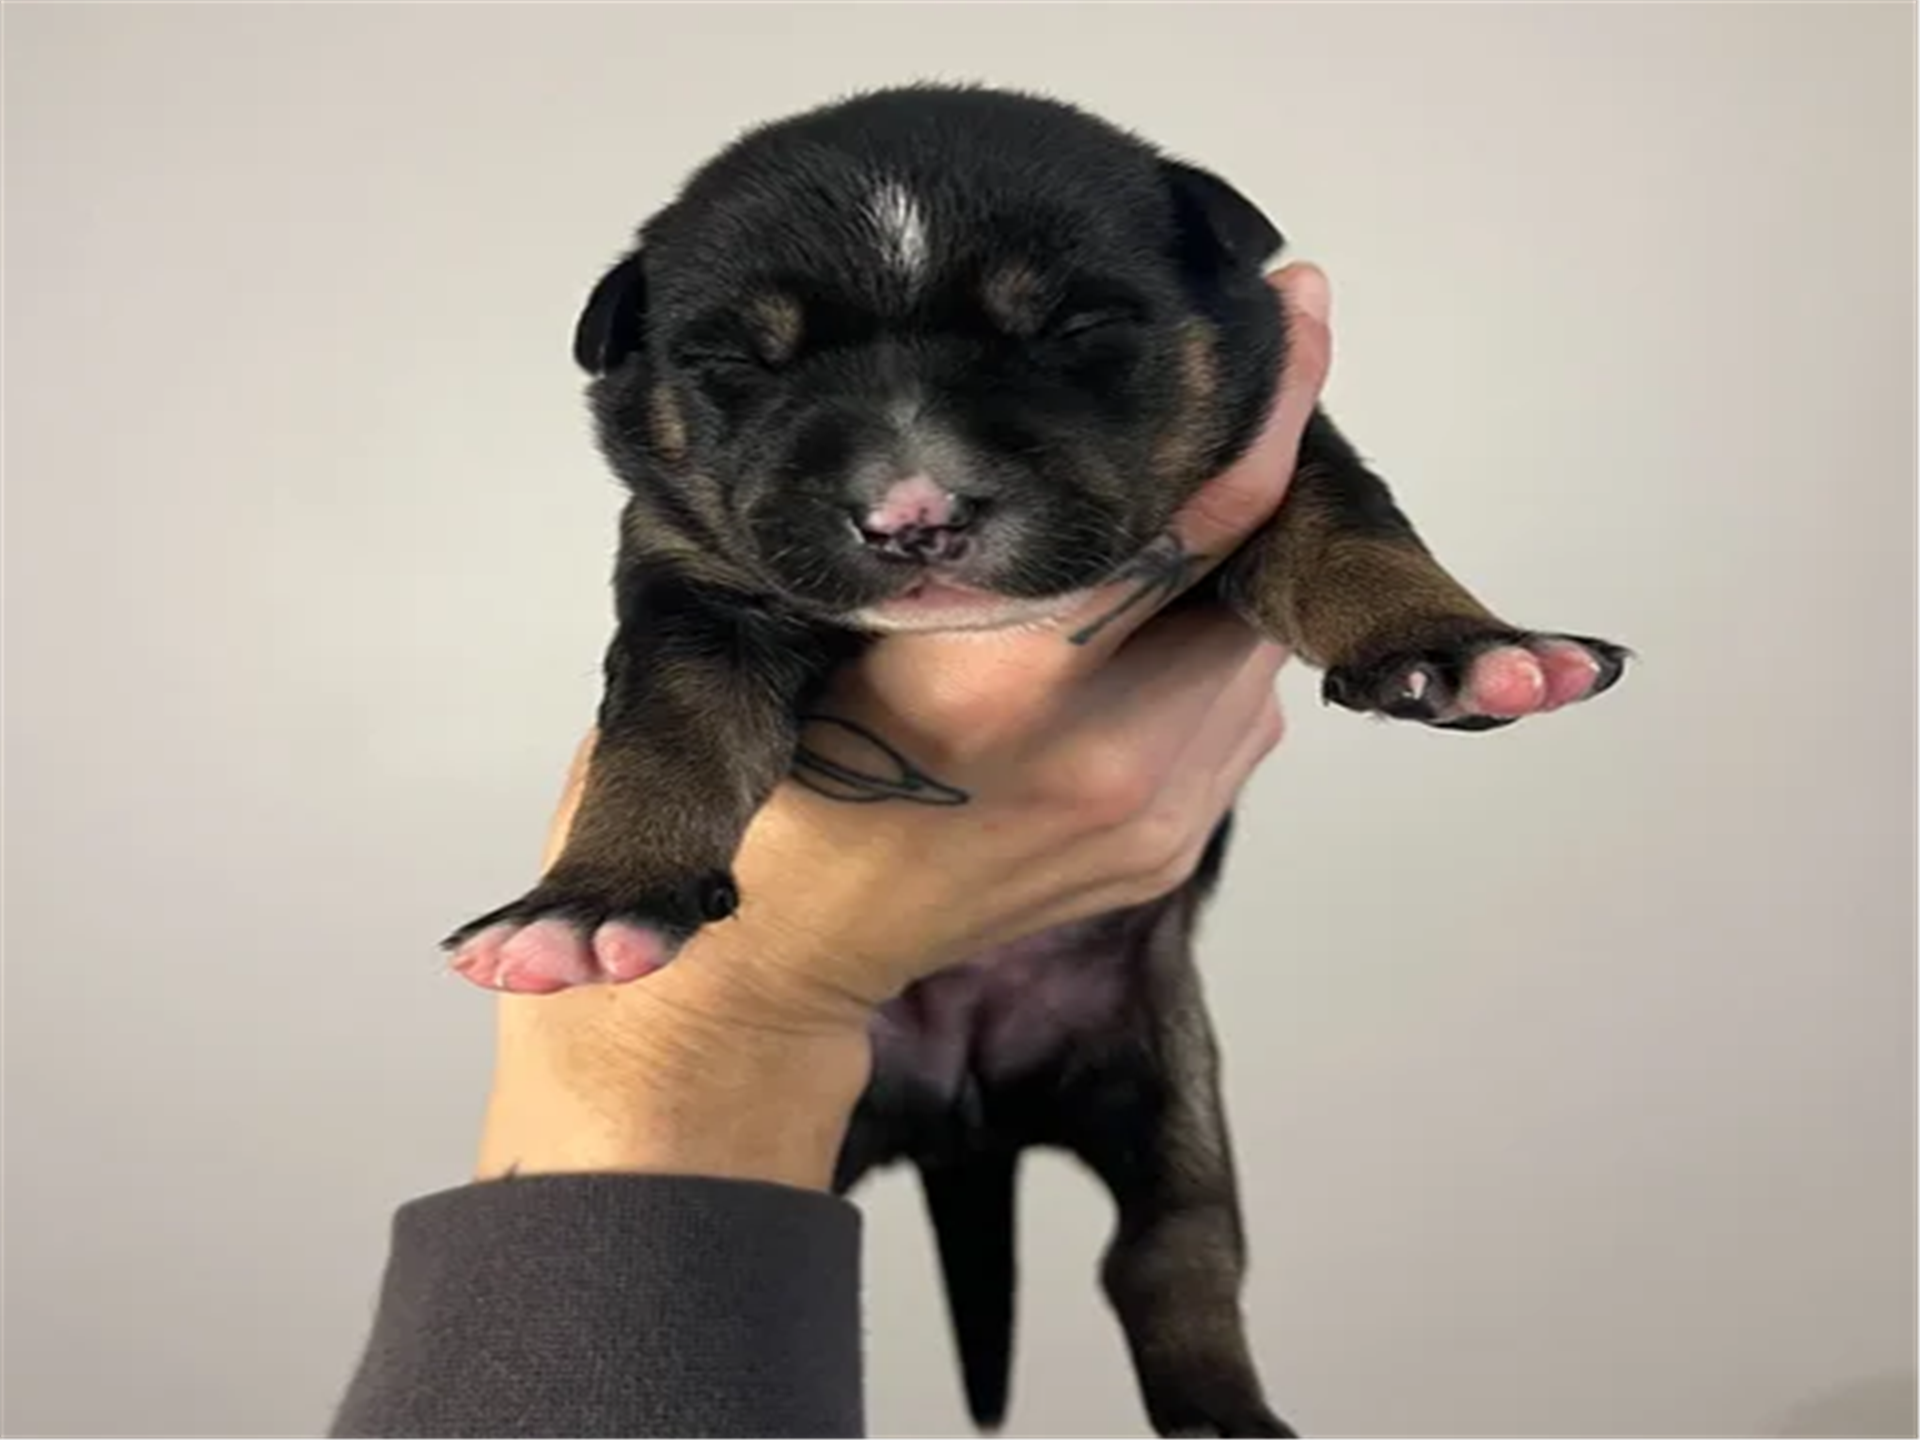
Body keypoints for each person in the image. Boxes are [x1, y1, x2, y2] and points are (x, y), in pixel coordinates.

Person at [331, 269, 1351, 1439]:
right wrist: (728, 1008)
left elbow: (1319, 520)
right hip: (837, 1028)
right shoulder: (717, 526)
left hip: (1108, 983)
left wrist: (1402, 625)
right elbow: (690, 677)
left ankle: (1204, 1396)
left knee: (1181, 1229)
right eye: (751, 370)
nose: (912, 495)